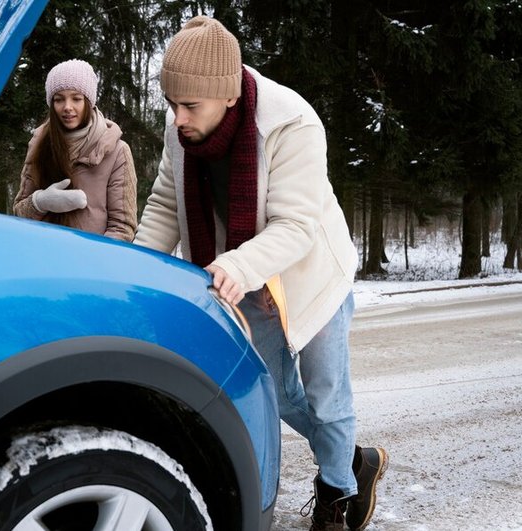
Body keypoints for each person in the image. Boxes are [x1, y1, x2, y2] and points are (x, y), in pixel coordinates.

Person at [133, 16, 388, 531]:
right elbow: (163, 204)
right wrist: (135, 272)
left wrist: (235, 264)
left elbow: (296, 225)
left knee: (325, 393)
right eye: (172, 104)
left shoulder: (293, 122)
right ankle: (357, 460)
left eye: (189, 106)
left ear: (227, 96)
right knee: (273, 391)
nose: (177, 117)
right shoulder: (179, 127)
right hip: (244, 275)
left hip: (308, 272)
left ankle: (338, 492)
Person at [13, 59, 138, 242]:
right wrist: (40, 202)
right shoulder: (39, 145)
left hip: (91, 265)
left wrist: (90, 261)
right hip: (43, 259)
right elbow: (19, 212)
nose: (67, 107)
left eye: (76, 98)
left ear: (89, 102)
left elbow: (122, 227)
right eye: (59, 99)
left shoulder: (118, 152)